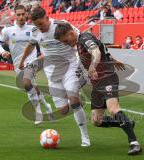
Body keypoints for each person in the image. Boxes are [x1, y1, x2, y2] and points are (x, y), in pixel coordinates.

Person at [54, 22, 143, 155]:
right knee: (97, 121)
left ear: (71, 33)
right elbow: (102, 49)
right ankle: (126, 123)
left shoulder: (84, 38)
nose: (65, 44)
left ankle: (134, 143)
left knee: (113, 109)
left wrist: (92, 66)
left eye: (66, 41)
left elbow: (96, 51)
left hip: (107, 77)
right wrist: (113, 59)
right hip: (97, 82)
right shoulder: (79, 42)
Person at [18, 7, 90, 147]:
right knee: (63, 110)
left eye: (41, 24)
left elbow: (79, 36)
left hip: (69, 67)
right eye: (36, 25)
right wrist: (22, 60)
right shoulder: (35, 31)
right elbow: (31, 46)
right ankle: (76, 101)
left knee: (73, 101)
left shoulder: (61, 24)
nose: (40, 28)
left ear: (47, 17)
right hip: (52, 73)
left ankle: (85, 137)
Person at [0, 5, 53, 125]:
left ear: (27, 14)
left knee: (27, 83)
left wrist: (42, 53)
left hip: (32, 61)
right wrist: (2, 51)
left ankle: (38, 113)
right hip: (17, 64)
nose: (21, 17)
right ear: (14, 15)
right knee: (31, 86)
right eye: (18, 14)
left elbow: (43, 41)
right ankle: (46, 105)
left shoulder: (33, 29)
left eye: (23, 14)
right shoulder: (8, 30)